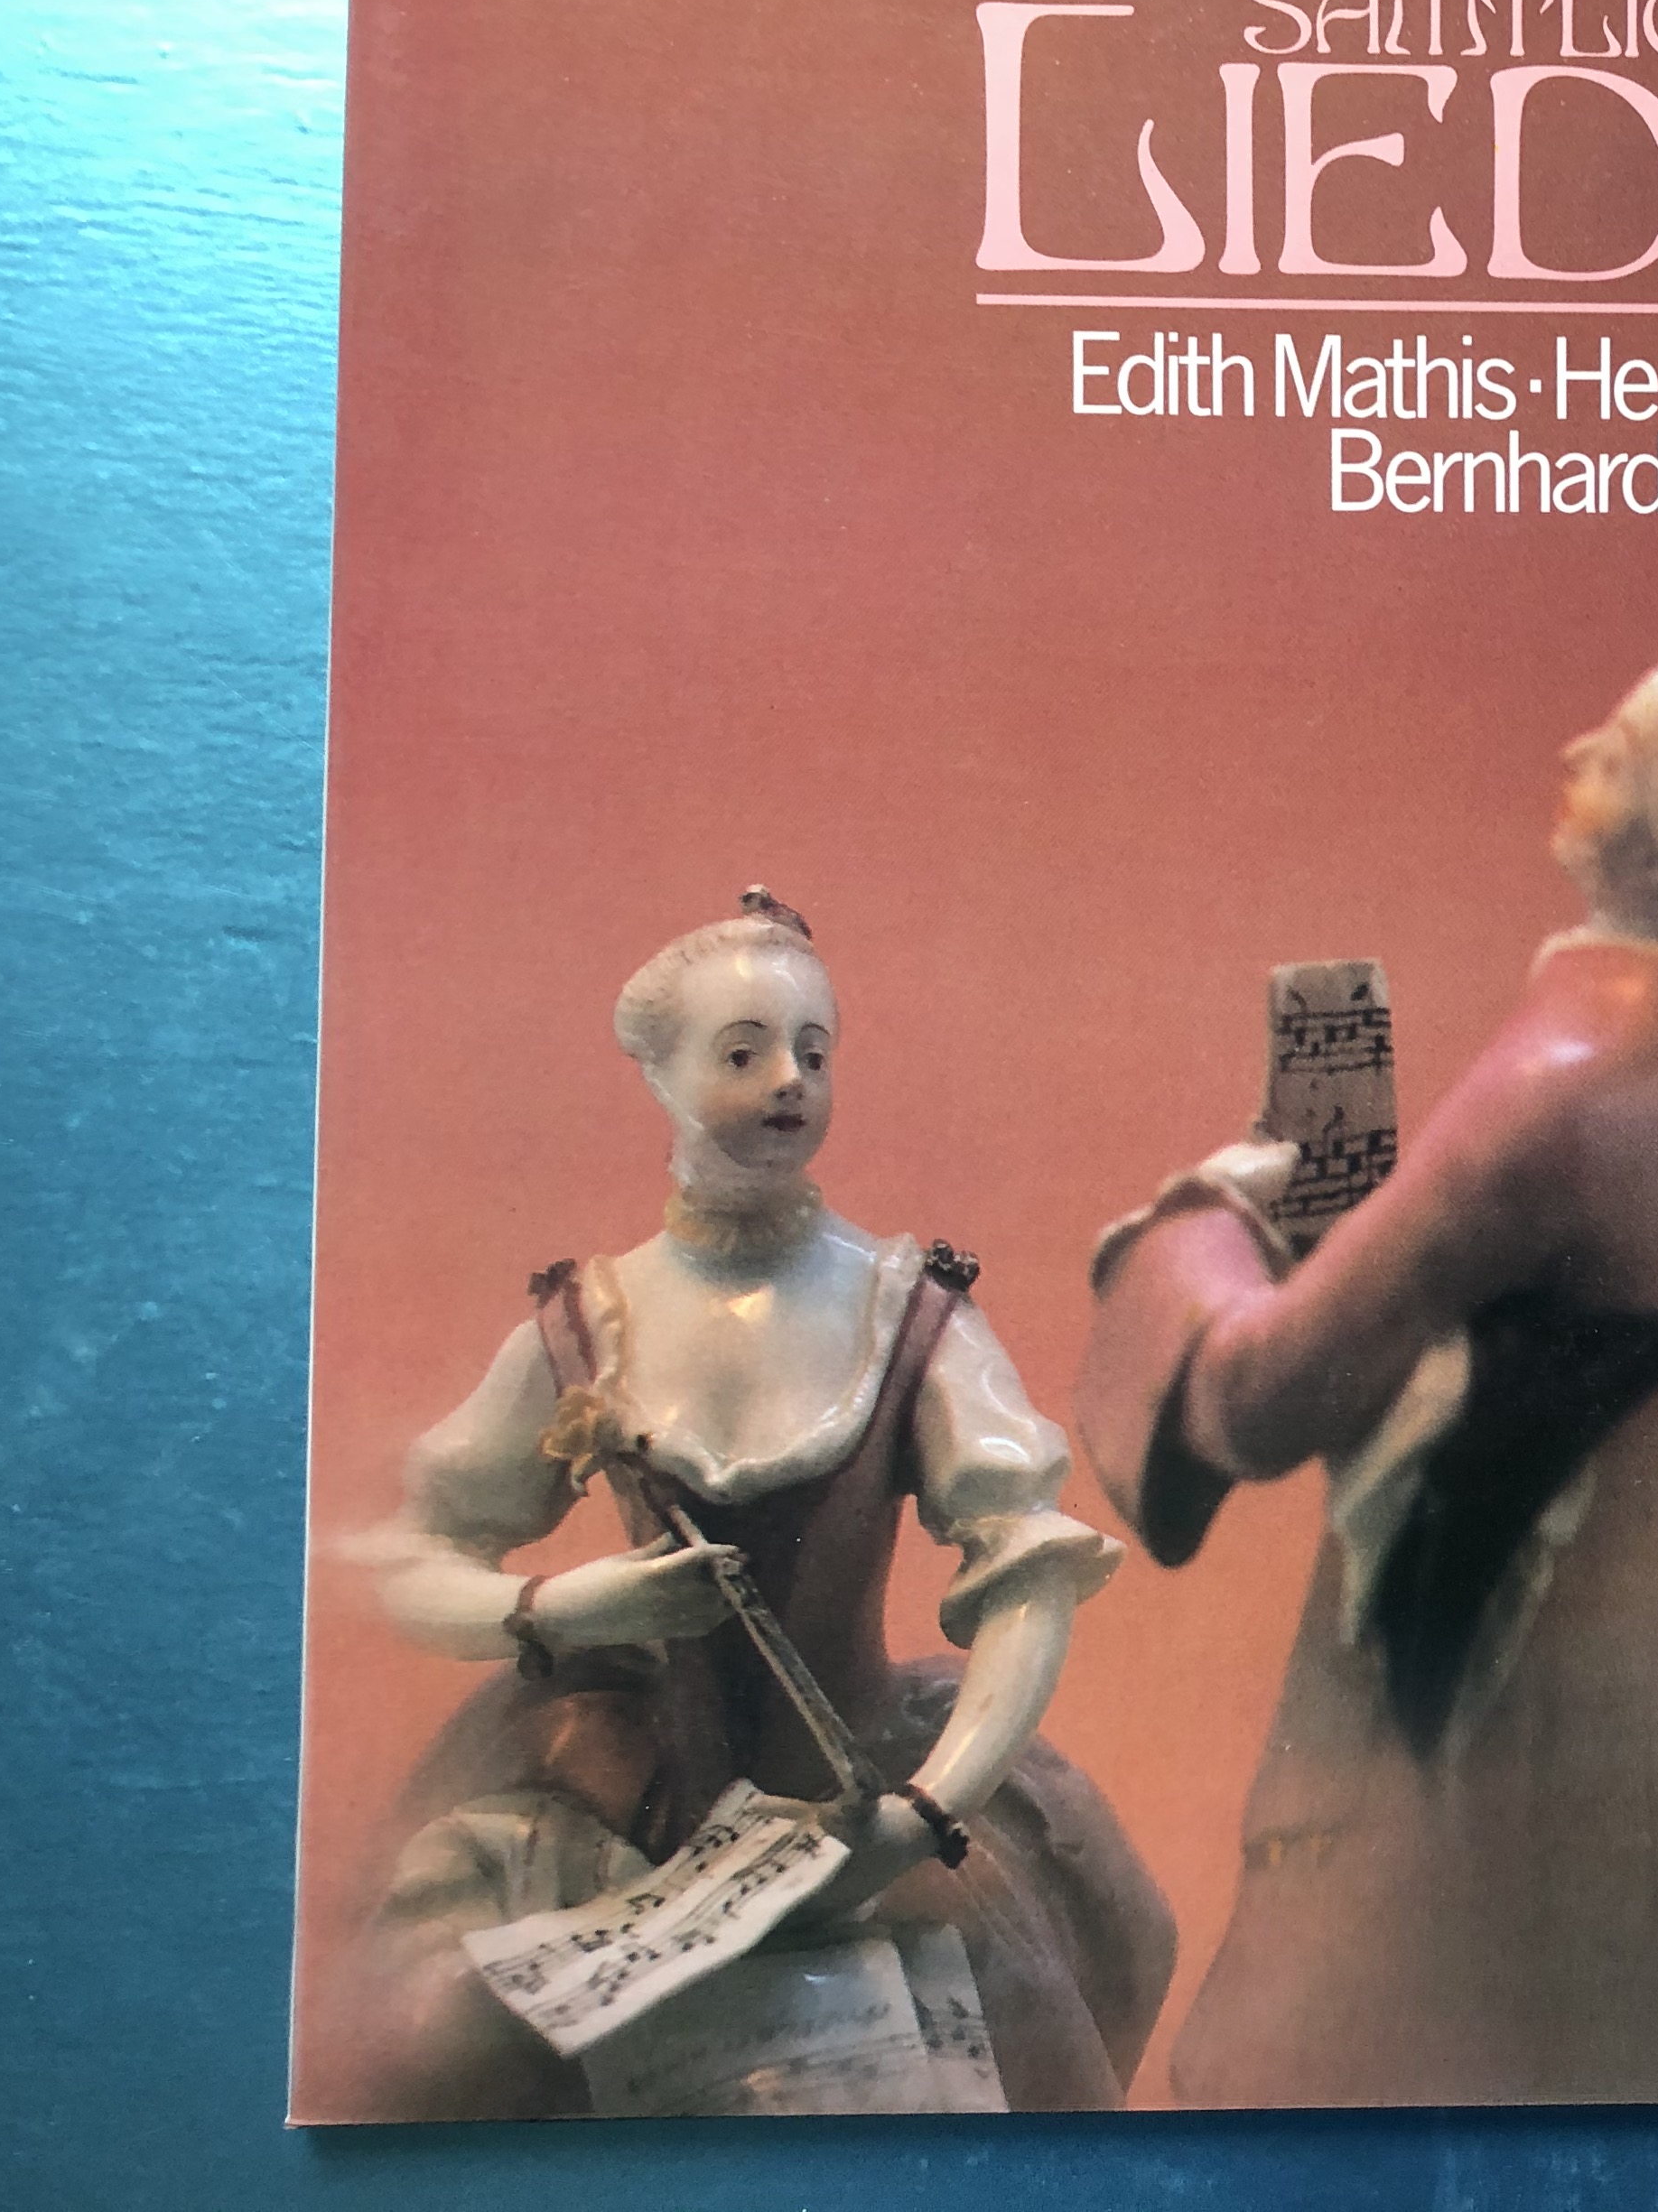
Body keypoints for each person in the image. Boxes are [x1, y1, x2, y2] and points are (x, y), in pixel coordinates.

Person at [1078, 637, 1658, 2105]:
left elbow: (1258, 1401)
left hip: (1476, 1687)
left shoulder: (1560, 1085)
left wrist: (1201, 1220)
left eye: (1624, 749)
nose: (1580, 753)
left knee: (1439, 2104)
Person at [343, 890, 1172, 2116]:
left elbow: (1030, 1580)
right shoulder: (588, 1323)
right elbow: (411, 1555)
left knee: (1021, 2020)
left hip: (872, 1799)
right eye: (744, 1053)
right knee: (440, 2044)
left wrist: (926, 1813)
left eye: (814, 1053)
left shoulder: (906, 1313)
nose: (789, 1080)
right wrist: (562, 1606)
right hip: (628, 1809)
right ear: (662, 1074)